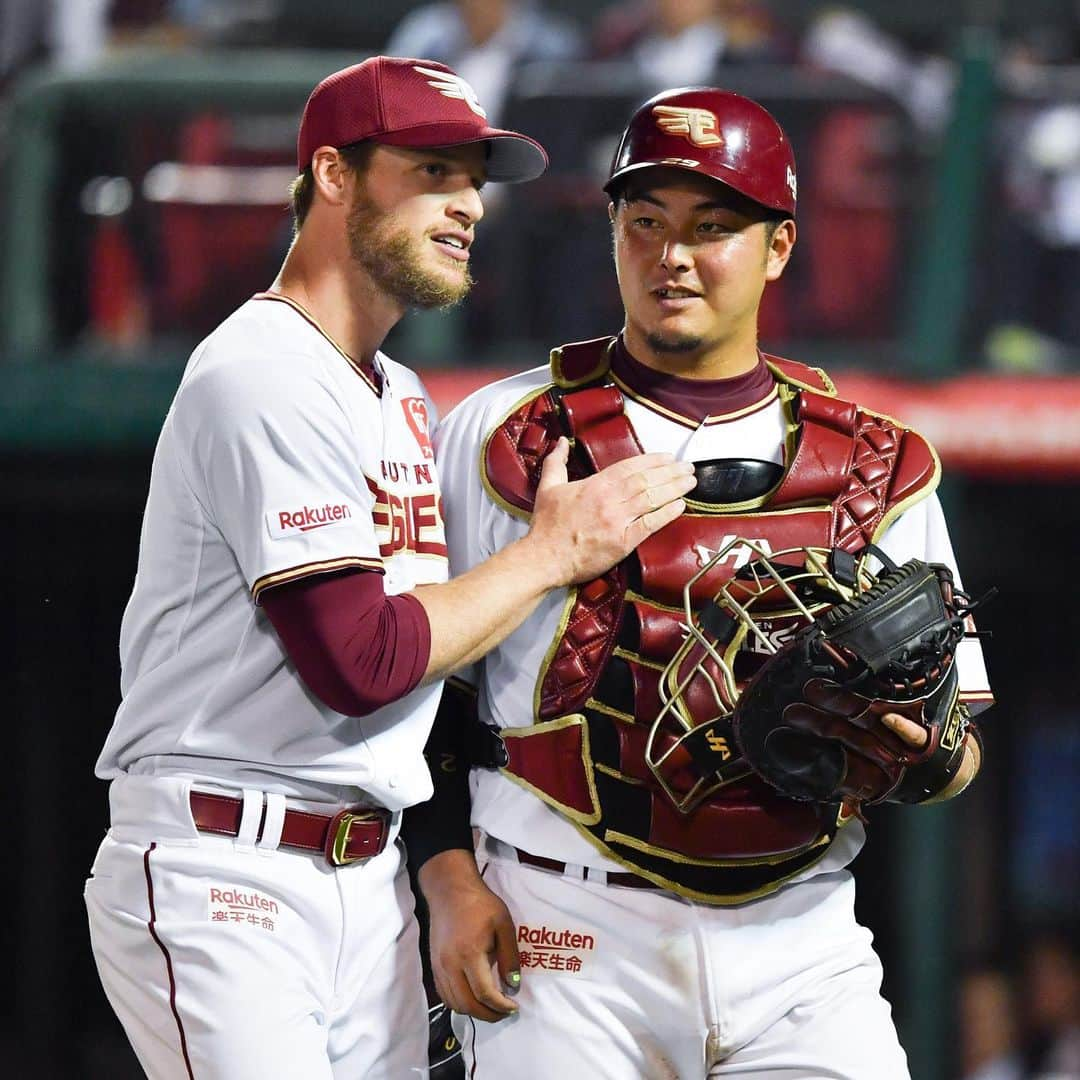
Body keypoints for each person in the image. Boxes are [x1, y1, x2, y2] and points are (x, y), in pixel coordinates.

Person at [83, 55, 695, 1080]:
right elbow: (359, 661)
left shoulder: (402, 393)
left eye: (473, 182)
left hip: (364, 880)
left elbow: (443, 648)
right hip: (224, 867)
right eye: (431, 173)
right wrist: (554, 553)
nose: (466, 207)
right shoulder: (262, 371)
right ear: (333, 175)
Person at [406, 86, 994, 1078]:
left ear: (779, 246)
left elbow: (961, 748)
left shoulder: (879, 468)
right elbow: (420, 697)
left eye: (712, 227)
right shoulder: (511, 436)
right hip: (563, 926)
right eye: (646, 224)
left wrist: (917, 755)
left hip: (800, 939)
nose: (672, 257)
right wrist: (446, 881)